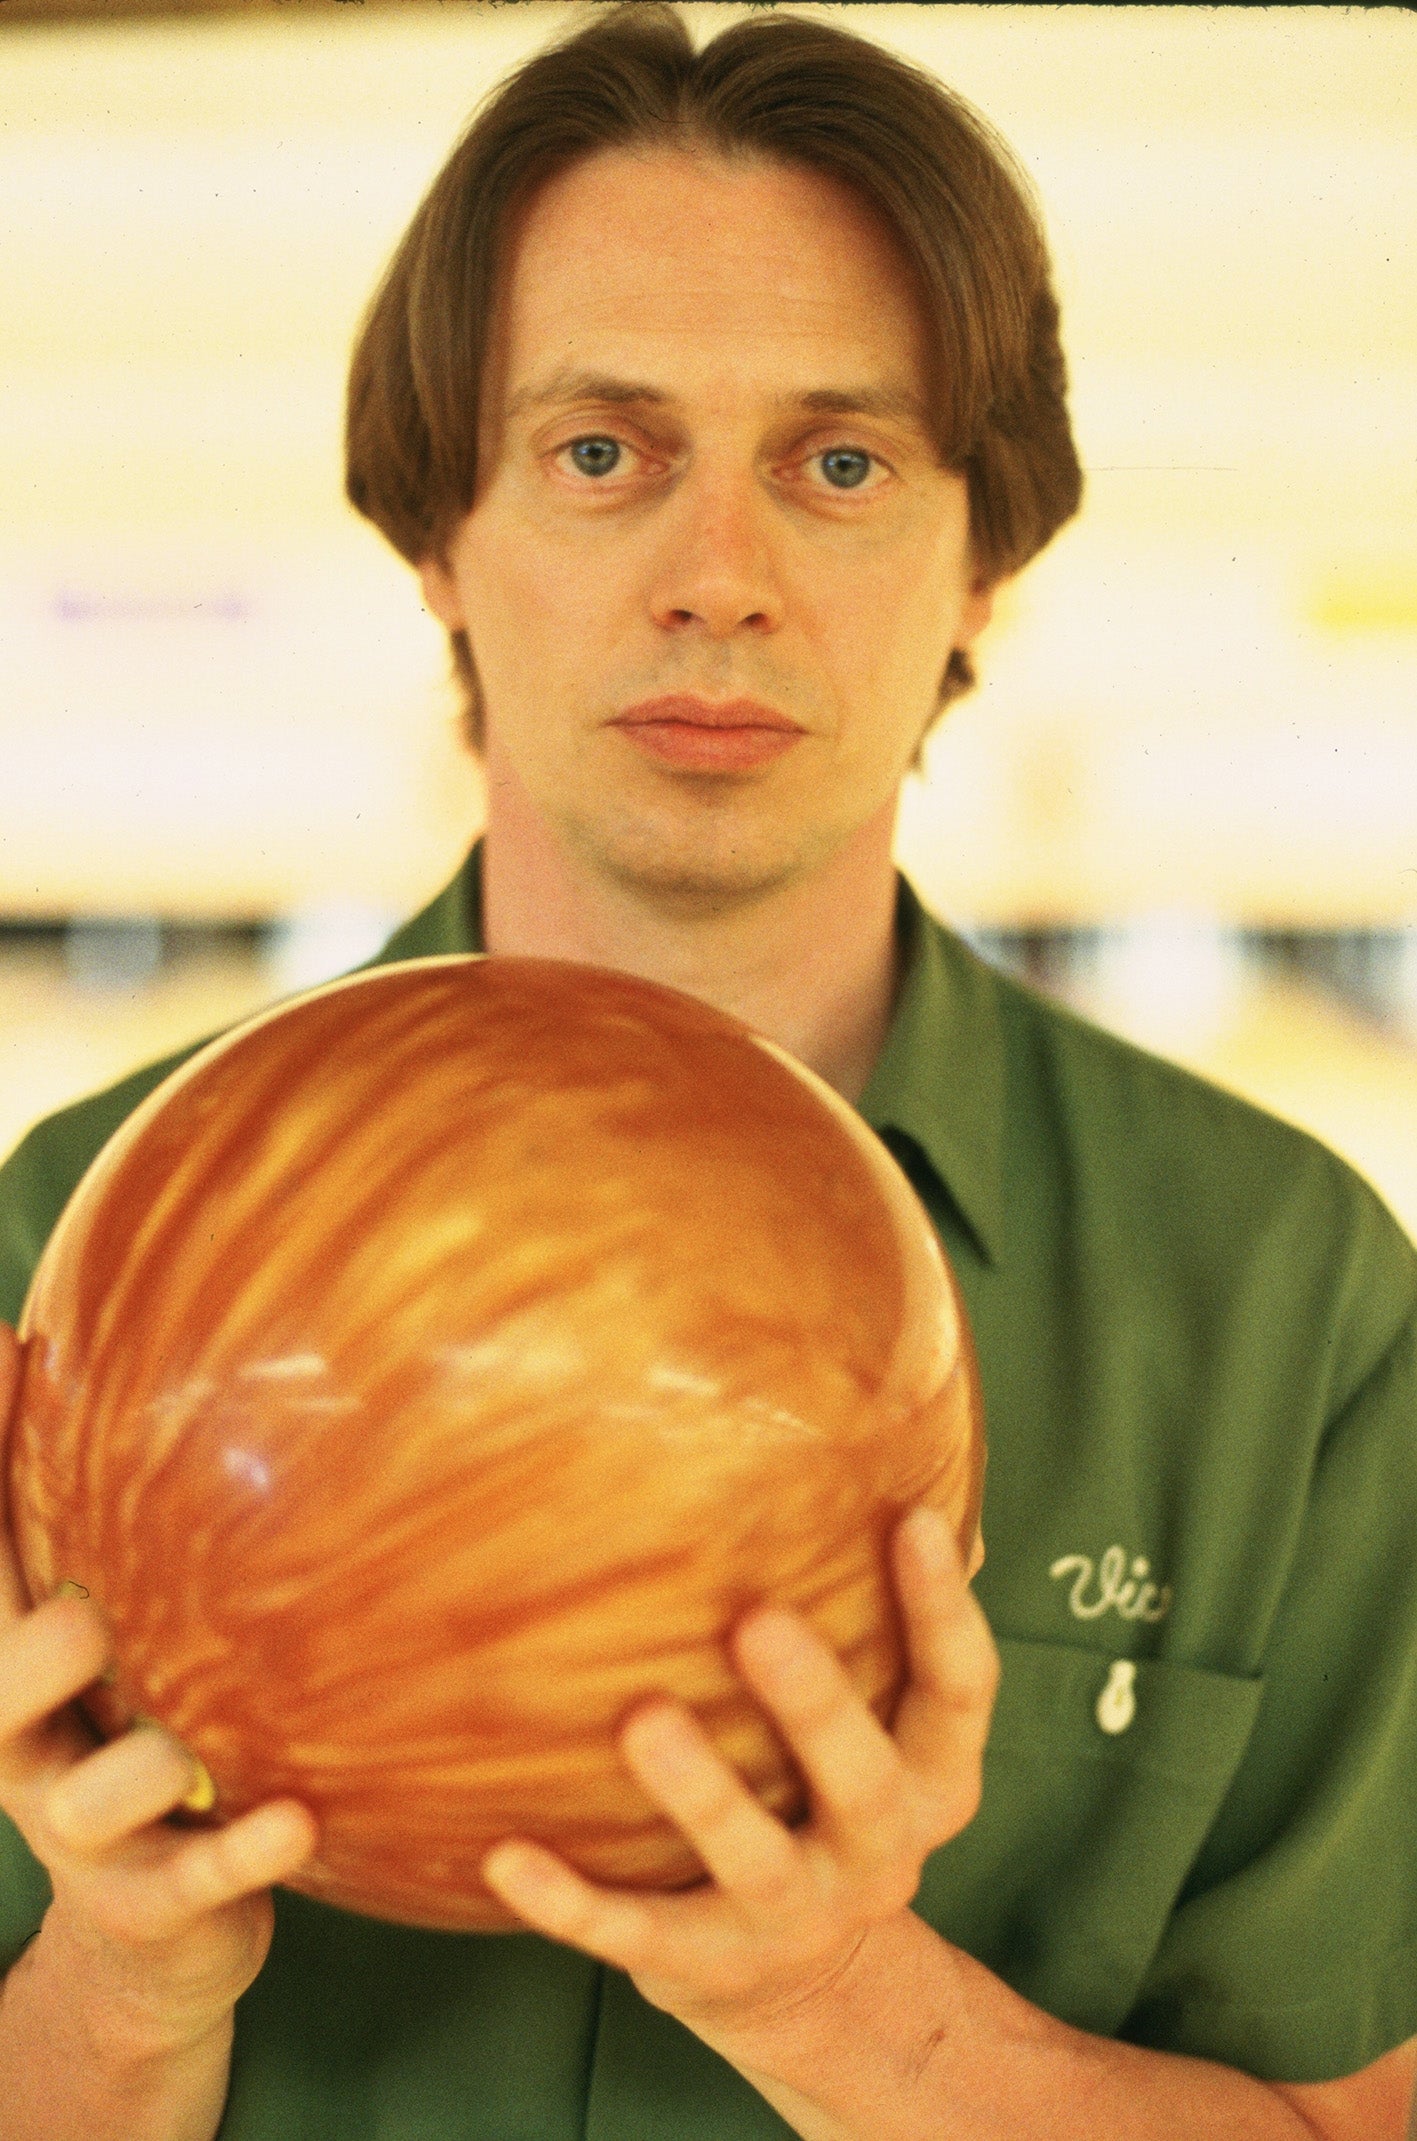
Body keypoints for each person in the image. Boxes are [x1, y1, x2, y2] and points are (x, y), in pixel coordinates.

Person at [0, 6, 1413, 2136]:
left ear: (984, 562)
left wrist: (850, 2003)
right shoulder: (59, 1268)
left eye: (839, 464)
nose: (719, 584)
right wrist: (114, 1989)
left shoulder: (1281, 1295)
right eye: (602, 452)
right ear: (435, 536)